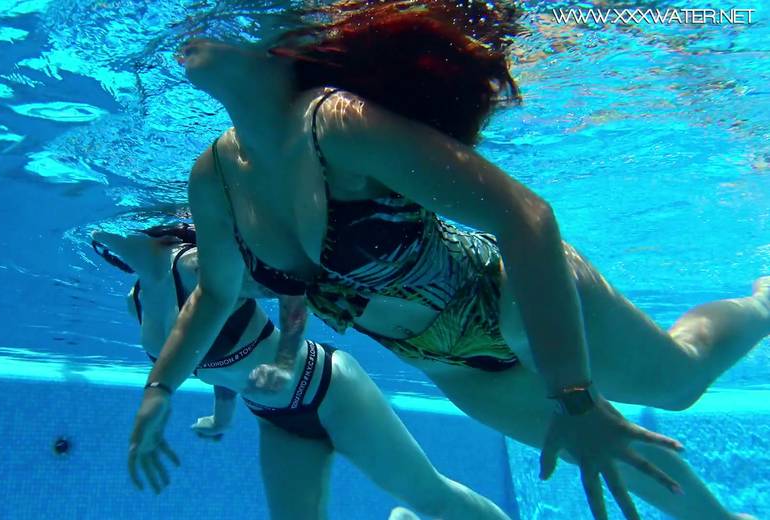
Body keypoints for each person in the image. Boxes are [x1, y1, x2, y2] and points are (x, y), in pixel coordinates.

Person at [127, 1, 768, 518]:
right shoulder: (212, 175)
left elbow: (526, 217)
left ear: (284, 41)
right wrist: (160, 388)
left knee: (677, 385)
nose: (193, 19)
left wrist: (574, 393)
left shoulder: (336, 124)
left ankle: (764, 301)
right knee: (599, 449)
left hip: (508, 296)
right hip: (448, 364)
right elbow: (217, 293)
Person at [92, 224, 511, 519]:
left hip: (329, 388)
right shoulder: (136, 300)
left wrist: (284, 361)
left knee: (431, 497)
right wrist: (223, 417)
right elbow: (209, 361)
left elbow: (292, 283)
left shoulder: (197, 267)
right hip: (275, 417)